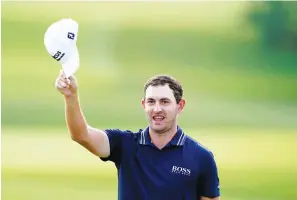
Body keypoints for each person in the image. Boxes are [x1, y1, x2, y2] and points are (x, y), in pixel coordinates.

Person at [55, 70, 221, 200]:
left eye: (164, 101)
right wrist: (71, 97)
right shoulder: (124, 144)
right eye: (151, 101)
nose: (157, 109)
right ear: (143, 105)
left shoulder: (201, 157)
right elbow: (81, 135)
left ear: (180, 105)